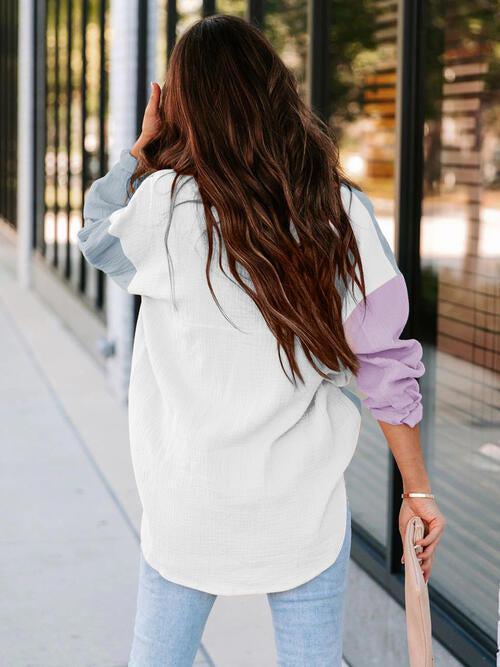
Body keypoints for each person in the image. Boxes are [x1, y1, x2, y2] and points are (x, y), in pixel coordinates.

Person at [77, 14, 445, 667]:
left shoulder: (165, 208)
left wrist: (141, 151)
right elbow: (386, 365)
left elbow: (97, 235)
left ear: (182, 107)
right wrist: (417, 491)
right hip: (301, 509)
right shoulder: (338, 211)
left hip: (189, 507)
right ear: (276, 92)